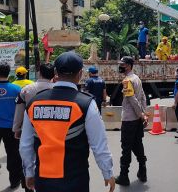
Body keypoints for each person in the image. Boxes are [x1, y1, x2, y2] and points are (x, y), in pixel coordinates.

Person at [19, 52, 115, 192]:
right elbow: (99, 144)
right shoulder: (86, 103)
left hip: (44, 180)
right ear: (80, 73)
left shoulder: (34, 103)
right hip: (75, 179)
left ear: (56, 73)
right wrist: (107, 173)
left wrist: (29, 172)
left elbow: (25, 145)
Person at [115, 56, 148, 186]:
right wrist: (143, 113)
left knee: (126, 148)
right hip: (137, 119)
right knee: (138, 144)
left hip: (129, 119)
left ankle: (124, 176)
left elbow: (132, 100)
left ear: (128, 65)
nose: (120, 66)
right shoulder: (137, 78)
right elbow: (143, 97)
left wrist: (141, 114)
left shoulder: (127, 80)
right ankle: (143, 171)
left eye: (122, 64)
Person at [0, 62, 27, 190]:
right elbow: (22, 110)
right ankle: (15, 180)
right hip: (11, 127)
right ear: (9, 73)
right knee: (13, 155)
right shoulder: (16, 89)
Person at [13, 63, 55, 139]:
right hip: (53, 130)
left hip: (30, 128)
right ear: (54, 74)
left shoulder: (26, 89)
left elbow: (19, 110)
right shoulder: (58, 89)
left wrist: (17, 128)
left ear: (39, 73)